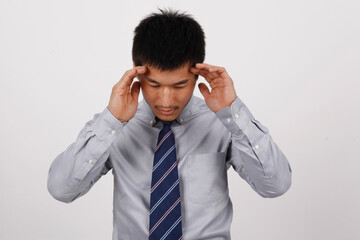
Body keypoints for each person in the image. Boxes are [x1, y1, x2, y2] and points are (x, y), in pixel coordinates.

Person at [47, 8, 292, 240]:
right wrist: (112, 120)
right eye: (154, 85)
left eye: (179, 85)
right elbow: (61, 190)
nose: (166, 100)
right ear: (137, 70)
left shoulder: (222, 123)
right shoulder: (114, 126)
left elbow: (275, 185)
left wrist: (234, 112)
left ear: (198, 74)